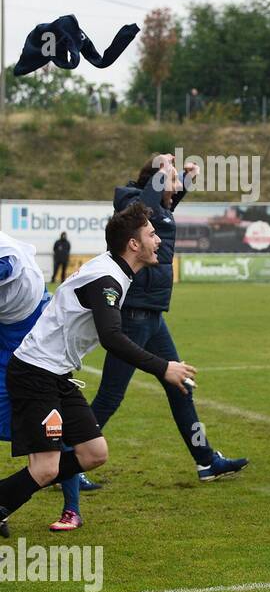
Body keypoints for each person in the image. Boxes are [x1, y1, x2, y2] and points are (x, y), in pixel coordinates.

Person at [0, 203, 196, 537]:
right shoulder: (106, 279)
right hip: (35, 374)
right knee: (45, 469)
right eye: (151, 234)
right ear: (133, 244)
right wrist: (163, 367)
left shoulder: (113, 271)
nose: (158, 240)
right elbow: (112, 338)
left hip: (55, 373)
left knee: (94, 453)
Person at [87, 156, 247, 483]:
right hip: (134, 315)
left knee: (181, 386)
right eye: (170, 185)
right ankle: (66, 460)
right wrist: (164, 170)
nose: (174, 194)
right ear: (156, 182)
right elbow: (146, 205)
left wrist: (186, 178)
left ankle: (205, 460)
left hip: (153, 316)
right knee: (110, 396)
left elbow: (161, 202)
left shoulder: (156, 209)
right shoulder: (136, 210)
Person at [0, 230, 83, 530]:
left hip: (33, 339)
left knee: (55, 428)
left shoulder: (7, 255)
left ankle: (71, 508)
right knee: (21, 428)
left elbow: (6, 264)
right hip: (6, 333)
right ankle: (5, 501)